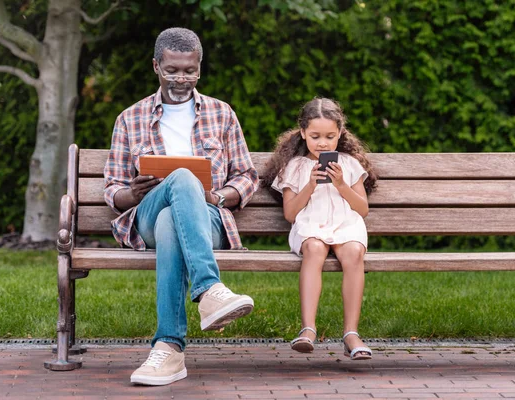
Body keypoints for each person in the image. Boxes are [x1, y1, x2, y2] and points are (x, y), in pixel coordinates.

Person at [103, 27, 258, 386]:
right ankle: (209, 290)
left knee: (175, 216)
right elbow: (112, 189)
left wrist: (218, 197)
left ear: (200, 68)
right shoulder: (130, 117)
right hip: (146, 214)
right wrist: (134, 192)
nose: (181, 78)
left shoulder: (222, 114)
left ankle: (169, 349)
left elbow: (248, 176)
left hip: (205, 219)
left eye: (189, 70)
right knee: (182, 178)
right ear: (156, 66)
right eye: (172, 70)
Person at [263, 98, 378, 360]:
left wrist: (341, 185)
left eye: (329, 136)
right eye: (315, 136)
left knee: (353, 254)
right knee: (314, 249)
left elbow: (362, 209)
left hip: (346, 224)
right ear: (303, 133)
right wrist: (310, 185)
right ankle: (308, 328)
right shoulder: (294, 166)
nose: (323, 143)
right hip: (309, 225)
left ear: (340, 133)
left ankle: (351, 333)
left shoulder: (348, 165)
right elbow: (291, 214)